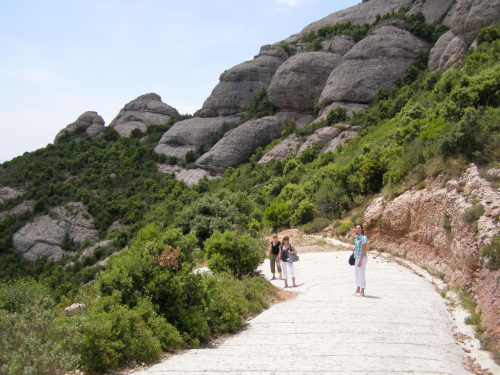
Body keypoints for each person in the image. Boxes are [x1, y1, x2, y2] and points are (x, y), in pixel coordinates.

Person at [353, 223, 368, 297]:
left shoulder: (363, 238)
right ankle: (357, 288)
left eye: (359, 228)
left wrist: (360, 260)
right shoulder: (356, 237)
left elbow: (364, 249)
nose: (357, 229)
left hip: (361, 257)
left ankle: (362, 289)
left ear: (362, 229)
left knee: (361, 273)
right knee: (357, 273)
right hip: (356, 257)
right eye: (356, 228)